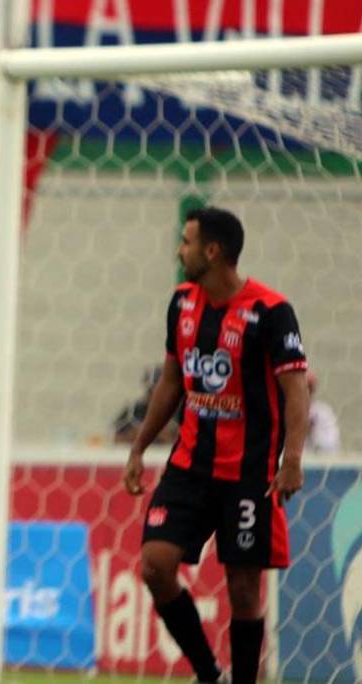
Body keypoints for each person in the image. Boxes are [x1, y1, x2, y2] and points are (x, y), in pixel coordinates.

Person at [123, 207, 310, 684]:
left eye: (186, 242)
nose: (179, 250)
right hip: (189, 467)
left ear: (212, 251)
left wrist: (292, 461)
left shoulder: (270, 312)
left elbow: (295, 390)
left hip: (249, 474)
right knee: (155, 565)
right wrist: (139, 446)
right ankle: (209, 674)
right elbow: (171, 381)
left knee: (244, 590)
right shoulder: (182, 303)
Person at [113, 364, 181, 446]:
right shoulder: (135, 409)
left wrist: (163, 436)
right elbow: (115, 438)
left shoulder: (179, 411)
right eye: (150, 390)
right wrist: (134, 436)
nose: (154, 395)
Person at [306, 369, 341, 454]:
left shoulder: (323, 412)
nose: (305, 392)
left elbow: (333, 445)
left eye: (309, 388)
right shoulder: (284, 411)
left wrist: (311, 432)